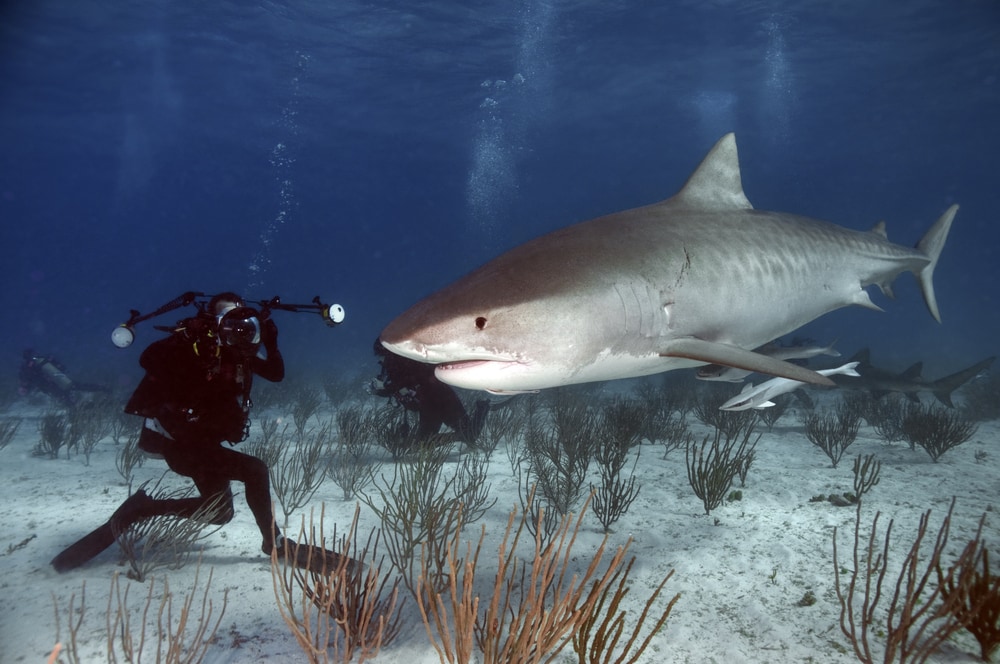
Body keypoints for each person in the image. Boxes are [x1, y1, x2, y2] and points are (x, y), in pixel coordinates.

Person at [51, 292, 341, 573]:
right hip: (180, 442)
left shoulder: (238, 350)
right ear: (210, 317)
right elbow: (148, 359)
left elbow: (276, 374)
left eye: (239, 313)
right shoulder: (193, 343)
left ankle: (142, 509)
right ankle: (274, 543)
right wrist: (188, 336)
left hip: (205, 443)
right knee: (255, 470)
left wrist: (271, 342)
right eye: (225, 314)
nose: (234, 320)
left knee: (219, 512)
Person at [371, 337, 489, 449]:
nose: (381, 361)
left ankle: (483, 408)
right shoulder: (393, 367)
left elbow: (413, 379)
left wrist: (387, 387)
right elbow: (397, 387)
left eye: (381, 356)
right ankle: (482, 409)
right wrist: (379, 390)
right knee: (467, 435)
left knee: (427, 443)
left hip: (439, 399)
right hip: (431, 403)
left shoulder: (407, 362)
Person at [19, 349, 108, 408]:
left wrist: (25, 388)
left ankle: (85, 409)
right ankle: (102, 388)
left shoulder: (27, 368)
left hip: (51, 386)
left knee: (66, 399)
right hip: (61, 380)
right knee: (79, 386)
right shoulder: (44, 360)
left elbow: (29, 382)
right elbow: (62, 368)